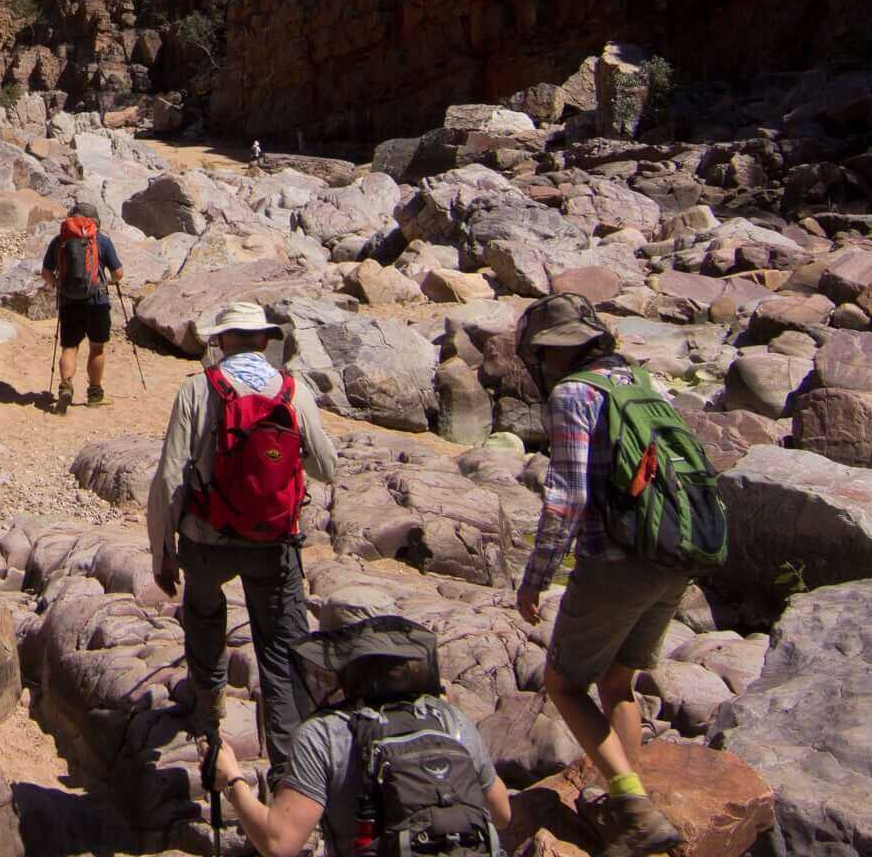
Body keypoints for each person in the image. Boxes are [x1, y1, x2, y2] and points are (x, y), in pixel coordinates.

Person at [512, 295, 691, 857]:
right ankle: (622, 798)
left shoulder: (573, 394)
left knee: (563, 684)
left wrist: (536, 577)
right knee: (618, 683)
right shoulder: (641, 383)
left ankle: (634, 808)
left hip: (616, 562)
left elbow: (567, 497)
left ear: (549, 354)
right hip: (676, 554)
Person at [149, 299, 340, 768]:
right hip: (274, 543)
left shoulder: (198, 388)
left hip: (207, 538)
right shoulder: (292, 391)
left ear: (221, 342)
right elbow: (326, 467)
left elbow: (171, 476)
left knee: (203, 613)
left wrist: (163, 550)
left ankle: (210, 715)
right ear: (263, 341)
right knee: (279, 649)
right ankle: (289, 768)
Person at [212, 616, 513, 855]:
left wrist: (232, 780)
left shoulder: (324, 733)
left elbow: (279, 844)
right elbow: (501, 814)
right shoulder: (449, 718)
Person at [44, 199, 126, 411]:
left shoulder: (60, 240)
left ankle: (66, 387)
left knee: (69, 348)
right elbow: (118, 273)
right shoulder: (101, 240)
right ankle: (95, 394)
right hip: (97, 301)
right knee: (97, 348)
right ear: (95, 221)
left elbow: (46, 273)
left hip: (69, 301)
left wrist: (59, 286)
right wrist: (106, 283)